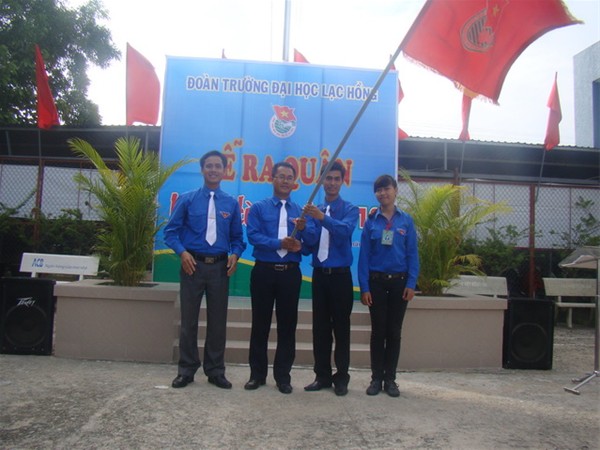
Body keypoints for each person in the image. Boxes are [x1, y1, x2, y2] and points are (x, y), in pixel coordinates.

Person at [164, 150, 246, 389]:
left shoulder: (231, 203)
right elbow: (170, 232)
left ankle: (215, 371)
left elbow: (238, 238)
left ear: (224, 171)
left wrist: (235, 254)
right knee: (188, 321)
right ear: (202, 170)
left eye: (218, 166)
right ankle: (186, 370)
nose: (213, 170)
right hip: (192, 267)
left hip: (220, 268)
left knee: (218, 322)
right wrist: (182, 253)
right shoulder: (187, 199)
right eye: (209, 165)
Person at [244, 161, 316, 394]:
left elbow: (309, 245)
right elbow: (253, 236)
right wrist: (278, 243)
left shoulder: (302, 212)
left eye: (289, 177)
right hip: (263, 272)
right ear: (272, 179)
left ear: (294, 182)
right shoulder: (258, 208)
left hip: (290, 274)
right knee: (260, 324)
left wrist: (301, 235)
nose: (285, 181)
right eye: (281, 176)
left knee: (287, 326)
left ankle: (283, 377)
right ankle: (257, 375)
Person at [357, 174, 419, 398]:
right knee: (378, 332)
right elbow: (364, 257)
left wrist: (411, 283)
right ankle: (376, 379)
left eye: (387, 189)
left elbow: (412, 254)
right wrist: (364, 287)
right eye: (379, 190)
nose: (383, 193)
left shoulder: (406, 221)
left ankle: (390, 380)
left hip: (399, 284)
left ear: (395, 191)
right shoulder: (371, 222)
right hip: (376, 283)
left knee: (394, 332)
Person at [302, 161, 359, 396]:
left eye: (336, 179)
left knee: (341, 329)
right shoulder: (313, 210)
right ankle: (322, 376)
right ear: (321, 181)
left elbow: (344, 232)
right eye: (328, 178)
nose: (332, 183)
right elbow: (310, 244)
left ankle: (341, 377)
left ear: (342, 181)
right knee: (320, 329)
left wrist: (322, 218)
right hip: (320, 276)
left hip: (341, 277)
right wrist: (303, 227)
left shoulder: (350, 209)